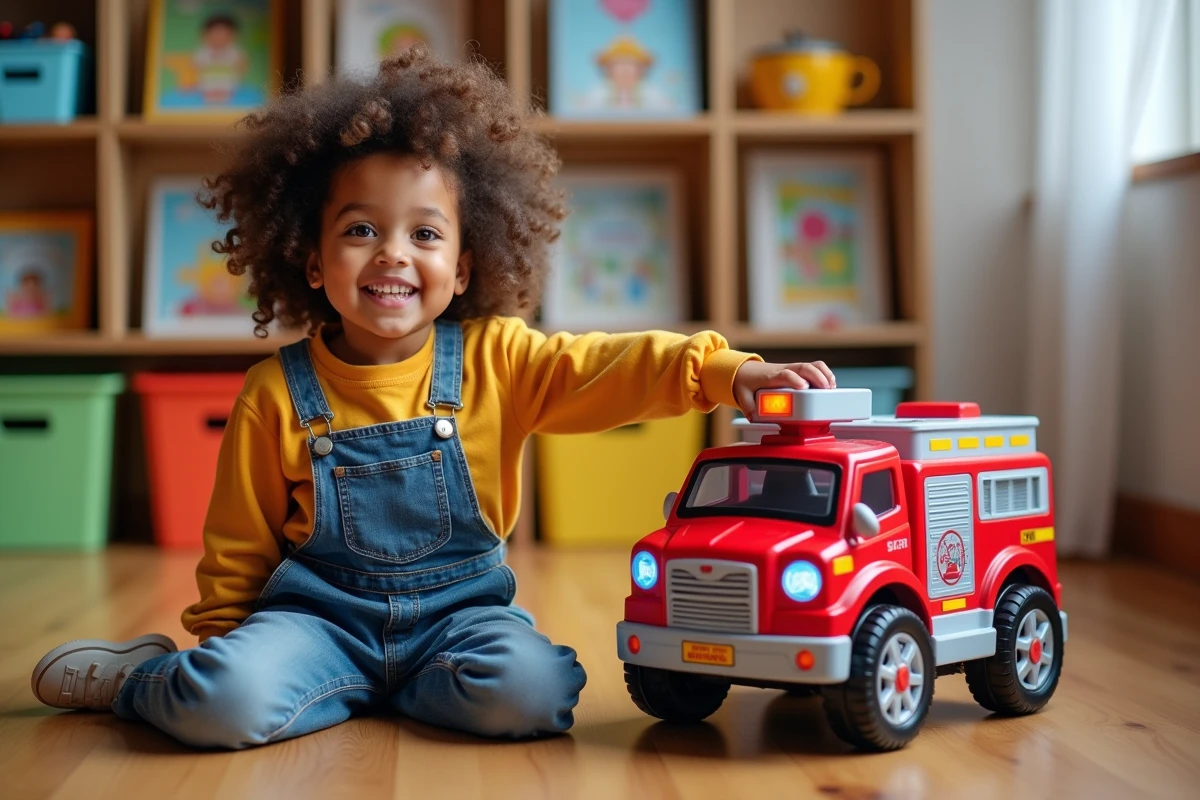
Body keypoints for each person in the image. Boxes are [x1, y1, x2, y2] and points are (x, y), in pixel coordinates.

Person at [29, 46, 835, 750]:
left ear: (465, 266)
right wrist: (228, 659)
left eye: (424, 233)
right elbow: (237, 548)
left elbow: (614, 368)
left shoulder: (500, 360)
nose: (392, 255)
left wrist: (727, 373)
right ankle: (147, 679)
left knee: (534, 692)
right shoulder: (275, 392)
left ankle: (373, 691)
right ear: (310, 259)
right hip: (316, 626)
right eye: (358, 230)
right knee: (221, 704)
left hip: (458, 625)